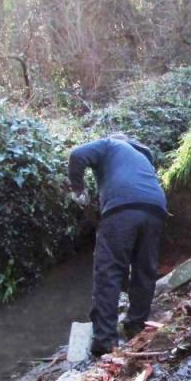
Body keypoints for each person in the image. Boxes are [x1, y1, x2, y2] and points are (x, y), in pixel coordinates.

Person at [68, 134, 167, 357]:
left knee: (108, 271)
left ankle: (105, 339)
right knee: (144, 269)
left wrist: (78, 189)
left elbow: (77, 155)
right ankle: (135, 325)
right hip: (155, 207)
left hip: (122, 207)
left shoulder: (109, 143)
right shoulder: (142, 156)